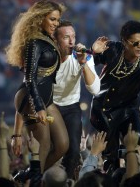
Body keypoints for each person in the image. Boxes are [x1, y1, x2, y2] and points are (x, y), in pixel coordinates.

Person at [5, 0, 69, 173]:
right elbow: (30, 79)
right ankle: (33, 180)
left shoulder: (48, 39)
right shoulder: (34, 42)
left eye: (58, 20)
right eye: (52, 19)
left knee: (62, 145)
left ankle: (27, 176)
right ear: (40, 18)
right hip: (33, 98)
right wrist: (38, 106)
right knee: (43, 147)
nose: (56, 24)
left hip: (45, 99)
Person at [89, 20, 140, 172]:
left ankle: (132, 175)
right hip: (104, 107)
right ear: (124, 42)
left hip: (128, 107)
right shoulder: (113, 49)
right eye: (135, 43)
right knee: (111, 153)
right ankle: (112, 176)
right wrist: (93, 51)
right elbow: (89, 63)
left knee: (138, 138)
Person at [53, 20, 101, 179]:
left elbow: (95, 89)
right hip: (49, 106)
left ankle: (67, 182)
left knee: (73, 151)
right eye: (66, 37)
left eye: (73, 36)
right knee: (53, 148)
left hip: (71, 107)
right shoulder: (46, 57)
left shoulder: (83, 57)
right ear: (55, 40)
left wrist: (83, 64)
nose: (72, 41)